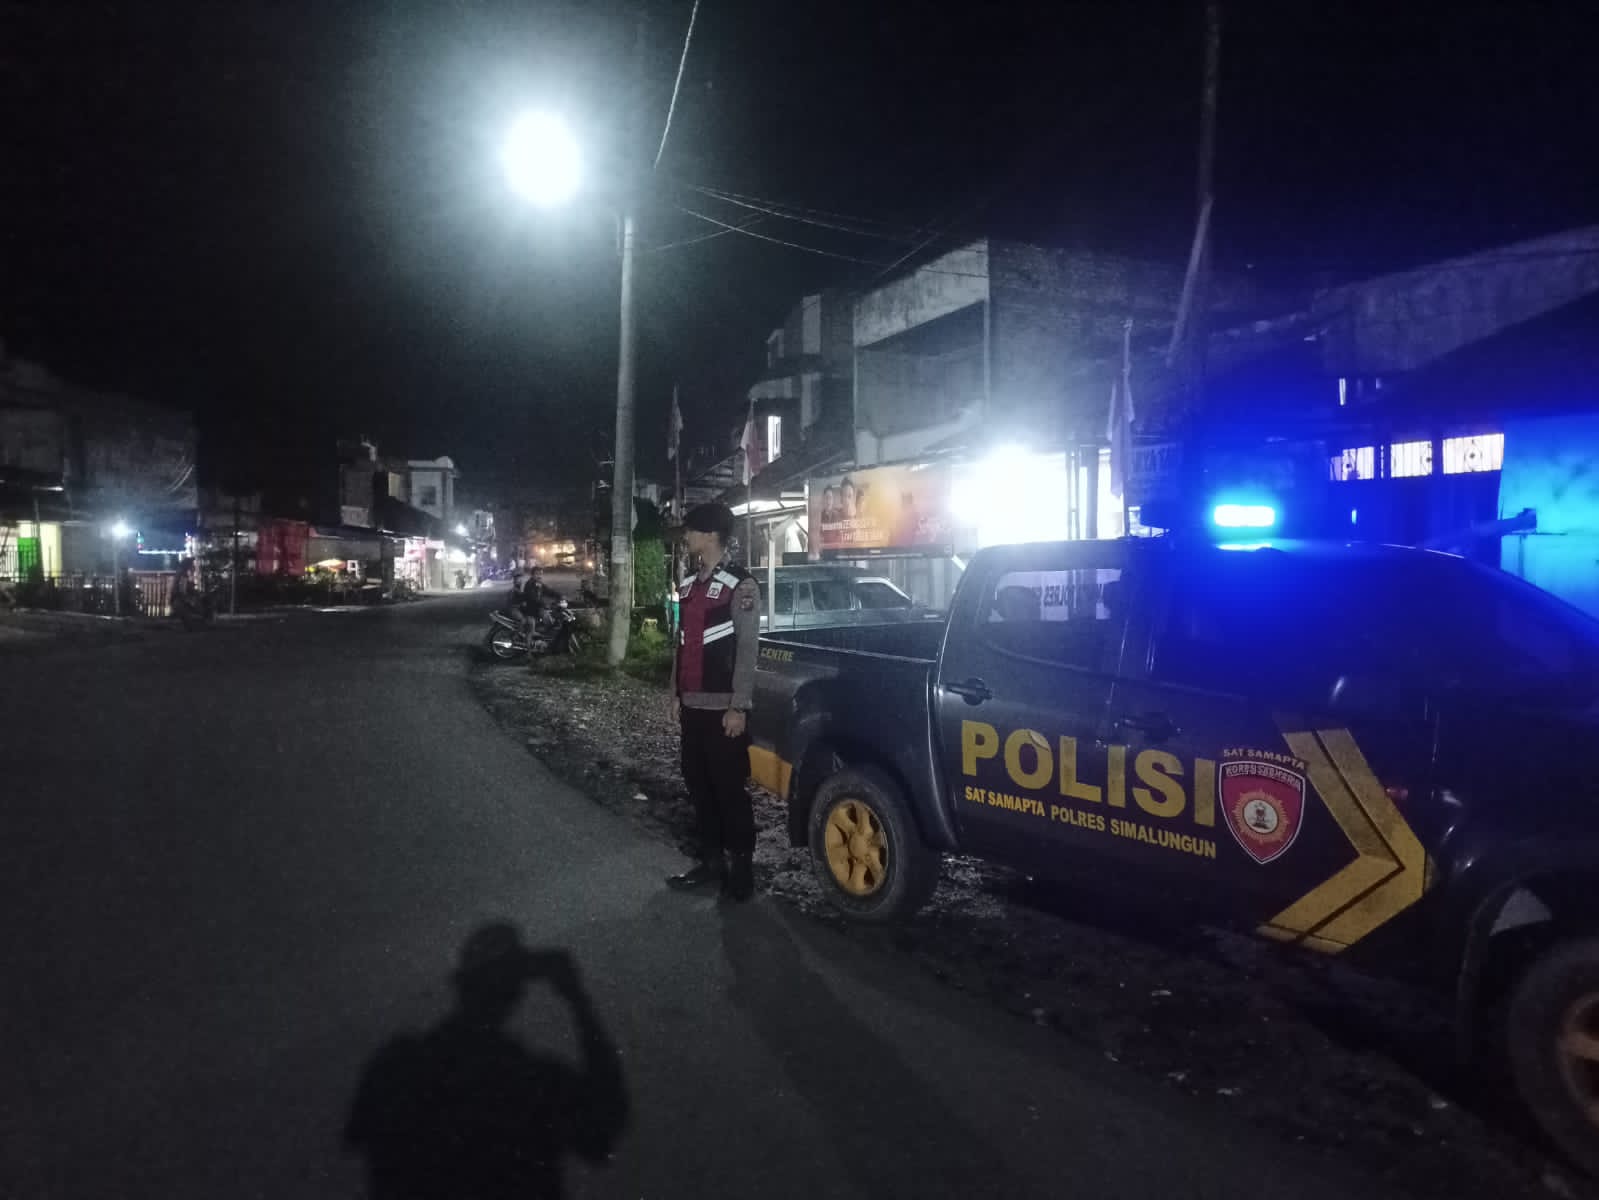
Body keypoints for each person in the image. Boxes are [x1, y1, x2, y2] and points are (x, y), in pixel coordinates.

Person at [667, 502, 761, 901]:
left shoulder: (741, 585)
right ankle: (711, 861)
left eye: (691, 530)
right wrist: (675, 693)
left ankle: (741, 870)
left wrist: (739, 706)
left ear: (709, 535)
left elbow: (748, 649)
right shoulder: (689, 585)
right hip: (692, 707)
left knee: (729, 791)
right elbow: (682, 643)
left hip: (724, 710)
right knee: (698, 785)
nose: (686, 536)